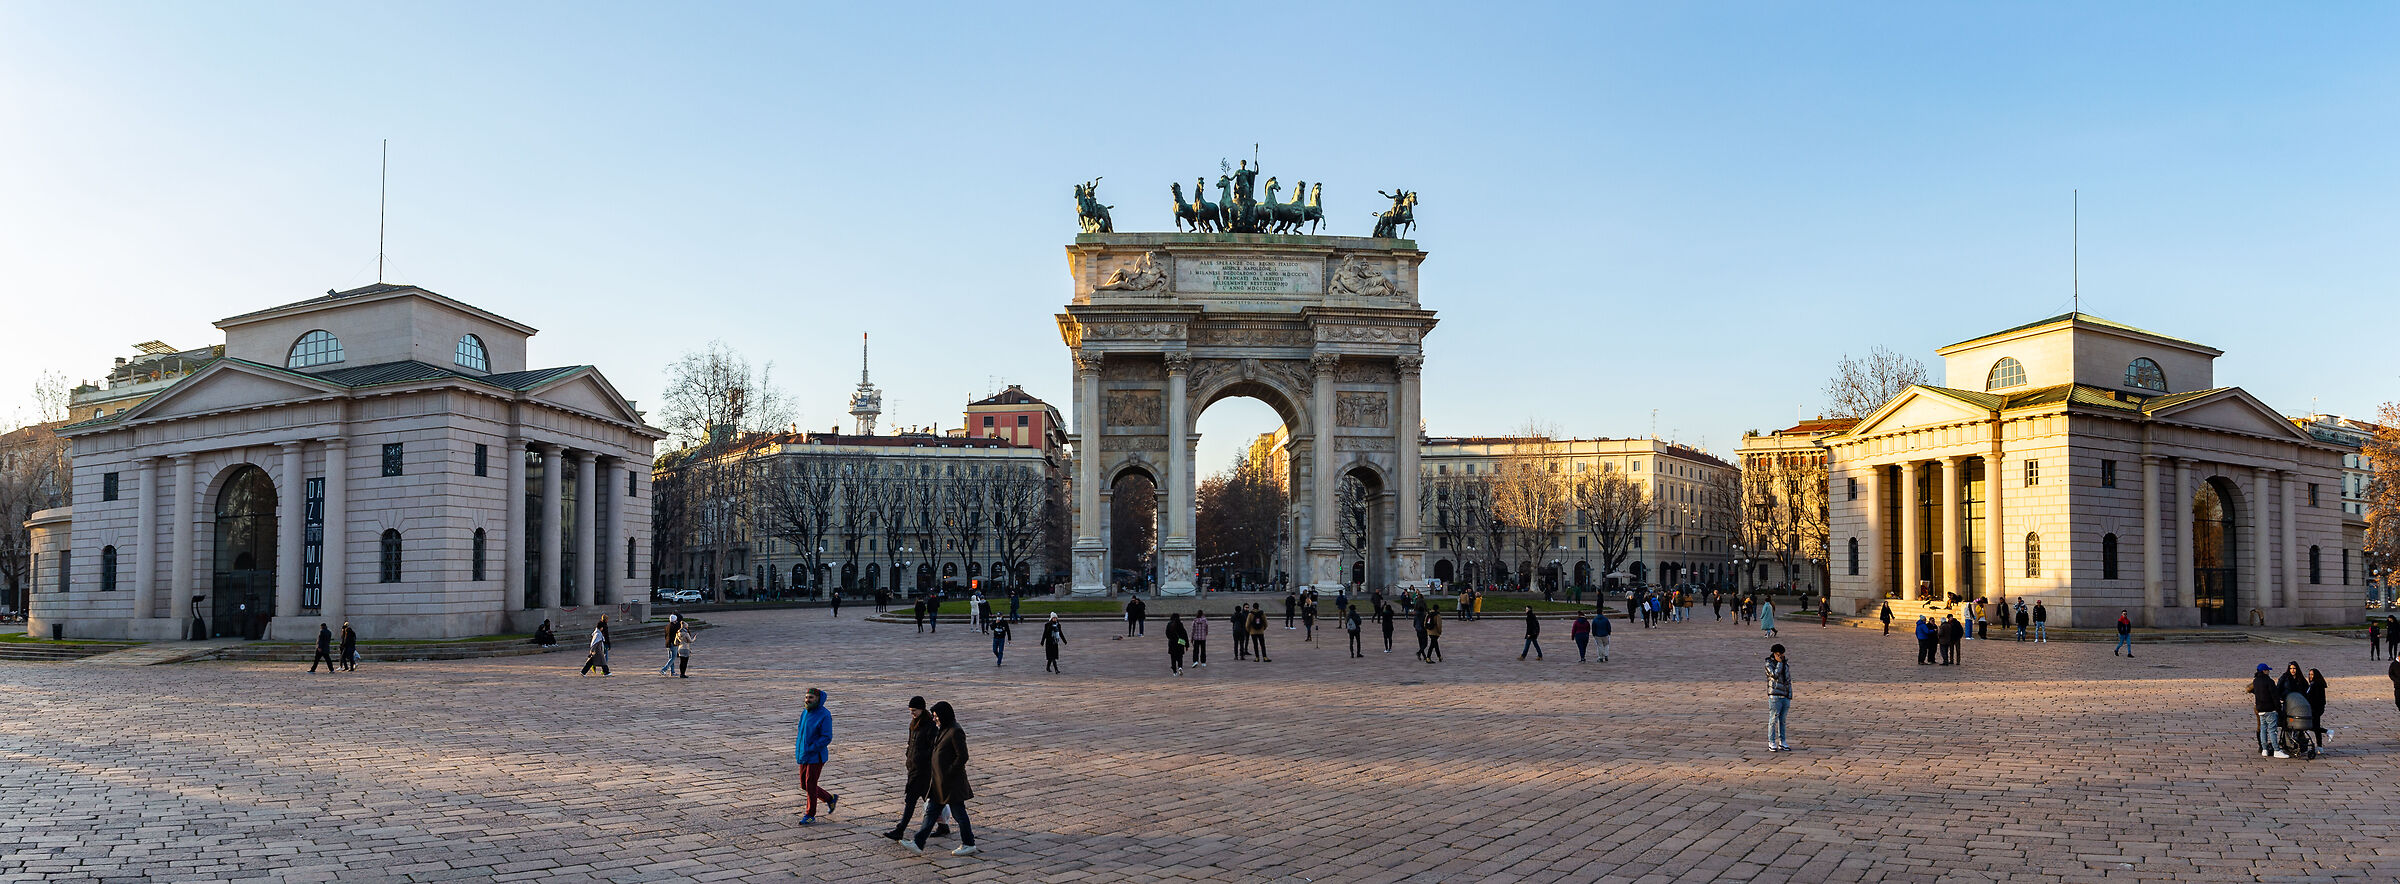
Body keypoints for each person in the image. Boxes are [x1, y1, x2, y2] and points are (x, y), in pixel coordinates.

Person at [909, 701, 978, 856]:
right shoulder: (944, 729)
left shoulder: (955, 731)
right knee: (931, 813)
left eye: (936, 716)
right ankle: (918, 843)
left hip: (951, 783)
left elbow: (962, 756)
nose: (934, 719)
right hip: (939, 783)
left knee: (959, 815)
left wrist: (949, 772)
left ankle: (969, 843)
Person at [882, 697, 951, 843]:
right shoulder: (913, 724)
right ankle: (943, 826)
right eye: (910, 711)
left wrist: (920, 758)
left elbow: (934, 748)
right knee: (933, 800)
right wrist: (909, 755)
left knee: (911, 800)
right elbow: (910, 743)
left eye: (914, 710)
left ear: (922, 709)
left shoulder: (930, 726)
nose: (912, 713)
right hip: (913, 768)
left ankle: (900, 830)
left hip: (924, 771)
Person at [794, 688, 838, 824]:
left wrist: (812, 748)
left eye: (811, 697)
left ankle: (810, 814)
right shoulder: (805, 712)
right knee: (804, 785)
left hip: (816, 756)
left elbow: (826, 737)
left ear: (818, 699)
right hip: (804, 754)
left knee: (810, 784)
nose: (808, 700)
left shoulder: (824, 715)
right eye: (806, 697)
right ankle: (830, 798)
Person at [2247, 664, 2283, 757]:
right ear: (2264, 671)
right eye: (2267, 670)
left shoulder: (2255, 681)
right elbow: (2274, 696)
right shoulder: (2269, 681)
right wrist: (2278, 709)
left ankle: (2264, 749)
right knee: (2272, 730)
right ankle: (2276, 750)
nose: (2268, 672)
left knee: (2263, 729)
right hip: (2270, 709)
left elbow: (2250, 690)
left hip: (2260, 709)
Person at [1765, 644, 1794, 751]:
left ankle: (1783, 741)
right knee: (1773, 719)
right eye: (1778, 654)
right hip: (1775, 695)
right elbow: (1775, 675)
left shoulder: (1785, 664)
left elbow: (1788, 680)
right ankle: (1771, 741)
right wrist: (1779, 663)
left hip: (1785, 695)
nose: (1781, 656)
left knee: (1783, 720)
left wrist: (1789, 695)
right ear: (1774, 654)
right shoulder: (1769, 664)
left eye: (1782, 654)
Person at [2306, 668, 2330, 747]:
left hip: (2315, 709)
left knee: (2312, 727)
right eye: (2309, 674)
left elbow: (2315, 698)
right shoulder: (2314, 684)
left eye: (2312, 674)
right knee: (2315, 727)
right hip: (2315, 708)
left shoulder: (2316, 685)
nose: (2310, 676)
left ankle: (2327, 732)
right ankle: (2319, 746)